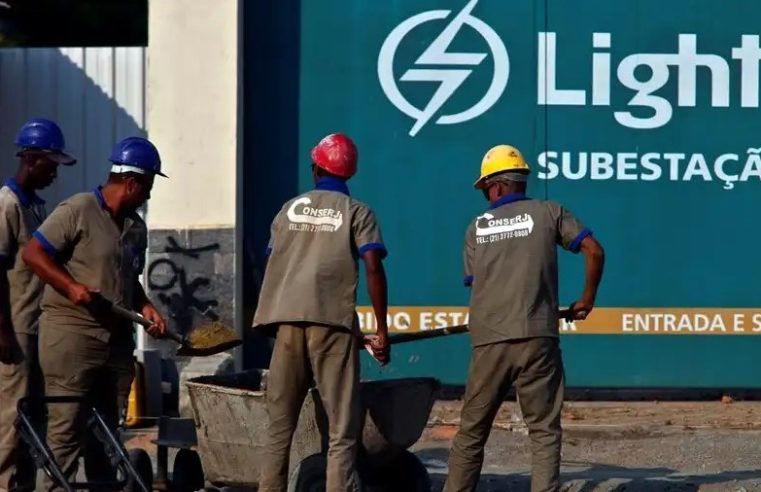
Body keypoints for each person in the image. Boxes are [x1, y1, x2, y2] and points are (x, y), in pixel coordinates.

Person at [443, 144, 605, 492]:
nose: (486, 195)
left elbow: (477, 286)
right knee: (544, 432)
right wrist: (586, 299)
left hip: (489, 341)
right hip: (538, 337)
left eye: (486, 188)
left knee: (472, 433)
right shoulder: (549, 213)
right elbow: (594, 250)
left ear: (498, 185)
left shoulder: (477, 227)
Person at [22, 136, 168, 491]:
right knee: (66, 432)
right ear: (130, 182)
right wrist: (72, 288)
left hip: (115, 344)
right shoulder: (78, 210)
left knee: (106, 435)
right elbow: (34, 254)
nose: (148, 196)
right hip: (72, 339)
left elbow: (129, 280)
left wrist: (145, 305)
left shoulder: (135, 228)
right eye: (146, 187)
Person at [253, 133, 390, 492]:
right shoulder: (358, 212)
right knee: (342, 429)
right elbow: (373, 265)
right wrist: (381, 330)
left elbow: (271, 261)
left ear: (316, 168)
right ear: (349, 173)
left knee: (279, 428)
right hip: (333, 325)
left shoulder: (289, 209)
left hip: (287, 324)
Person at [0, 118, 76, 492]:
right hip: (12, 332)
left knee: (32, 419)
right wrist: (1, 330)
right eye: (50, 165)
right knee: (11, 418)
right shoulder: (8, 203)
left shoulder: (37, 206)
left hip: (36, 329)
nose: (54, 175)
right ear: (31, 159)